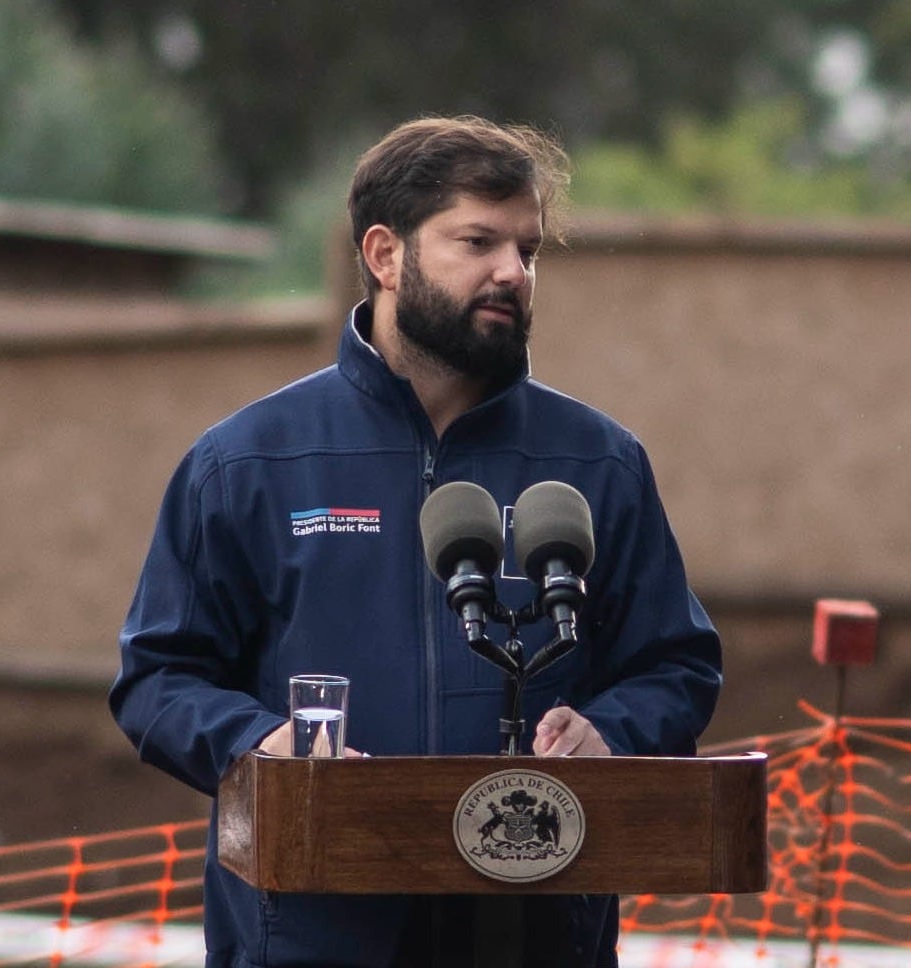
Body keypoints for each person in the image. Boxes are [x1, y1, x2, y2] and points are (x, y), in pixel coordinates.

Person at [110, 115, 721, 968]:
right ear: (384, 255)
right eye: (477, 241)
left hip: (535, 934)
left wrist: (610, 735)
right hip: (311, 936)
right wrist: (260, 745)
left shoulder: (597, 462)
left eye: (528, 250)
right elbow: (158, 678)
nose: (511, 271)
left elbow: (676, 665)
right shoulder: (247, 461)